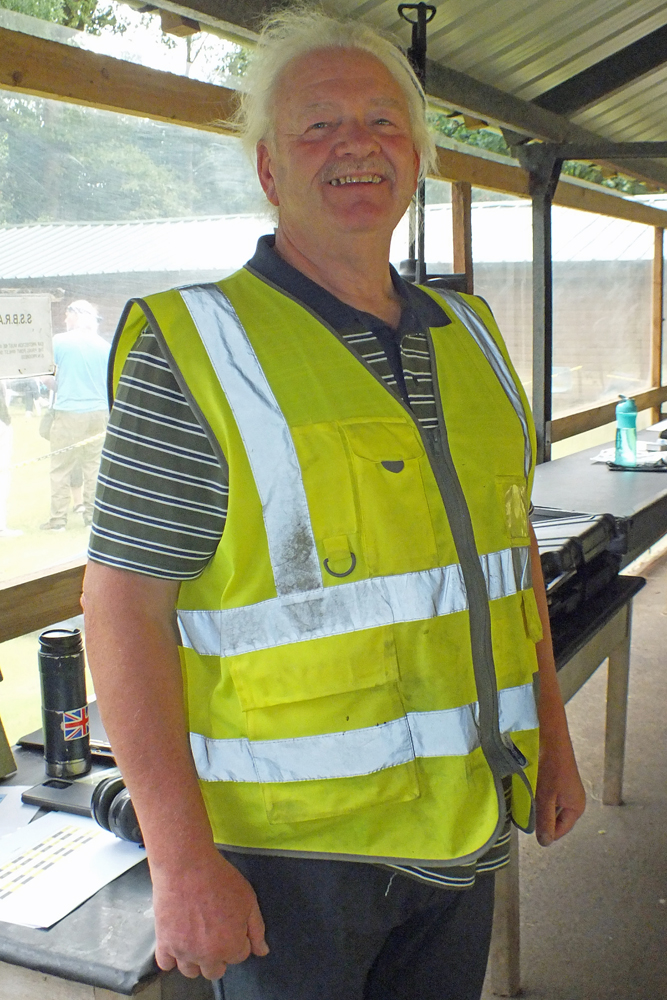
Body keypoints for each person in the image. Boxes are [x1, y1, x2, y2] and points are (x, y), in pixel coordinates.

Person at [83, 10, 586, 1000]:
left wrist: (554, 740)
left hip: (466, 818)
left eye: (382, 123)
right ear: (269, 170)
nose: (356, 144)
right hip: (289, 859)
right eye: (317, 126)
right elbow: (123, 609)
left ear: (416, 158)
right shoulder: (198, 350)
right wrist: (183, 861)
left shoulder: (472, 333)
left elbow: (508, 547)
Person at [40, 300, 110, 531]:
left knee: (61, 467)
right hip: (99, 413)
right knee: (94, 466)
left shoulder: (59, 342)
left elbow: (47, 378)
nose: (65, 320)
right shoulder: (104, 345)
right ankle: (93, 517)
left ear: (74, 315)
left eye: (67, 315)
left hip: (70, 411)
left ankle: (58, 519)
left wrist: (62, 385)